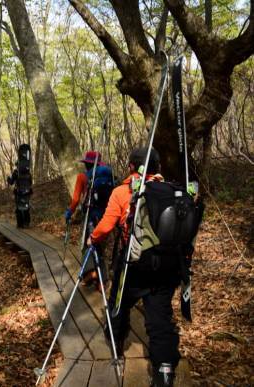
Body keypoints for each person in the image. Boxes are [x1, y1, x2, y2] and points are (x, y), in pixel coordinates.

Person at [87, 147, 179, 387]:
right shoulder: (172, 191)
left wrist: (92, 238)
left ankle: (115, 341)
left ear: (131, 167)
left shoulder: (122, 192)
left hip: (134, 264)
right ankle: (164, 371)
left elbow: (106, 226)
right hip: (168, 265)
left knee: (119, 302)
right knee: (160, 318)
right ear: (158, 168)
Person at [65, 150, 114, 290]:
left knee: (87, 245)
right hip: (105, 217)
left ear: (87, 164)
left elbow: (75, 200)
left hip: (90, 217)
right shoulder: (107, 175)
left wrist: (69, 212)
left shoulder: (82, 177)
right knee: (100, 247)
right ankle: (101, 281)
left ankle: (93, 275)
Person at [7, 144, 32, 228]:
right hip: (27, 192)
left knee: (18, 207)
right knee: (26, 206)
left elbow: (11, 182)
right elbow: (30, 182)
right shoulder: (28, 172)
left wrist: (8, 179)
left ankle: (20, 224)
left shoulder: (16, 172)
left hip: (18, 192)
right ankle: (27, 223)